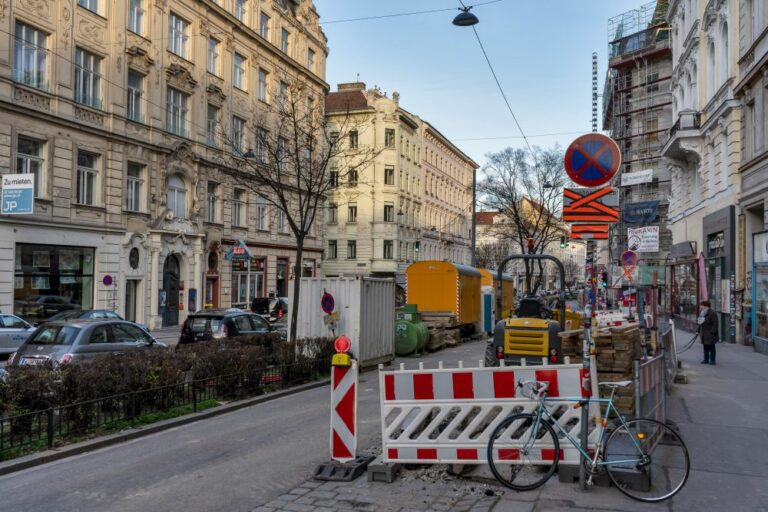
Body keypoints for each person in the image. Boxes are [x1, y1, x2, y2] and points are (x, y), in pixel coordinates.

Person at [697, 300, 718, 365]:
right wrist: (697, 331)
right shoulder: (702, 313)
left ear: (705, 306)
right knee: (705, 346)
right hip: (704, 332)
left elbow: (715, 324)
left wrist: (712, 332)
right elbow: (700, 323)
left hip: (710, 333)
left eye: (701, 305)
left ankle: (712, 360)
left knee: (711, 347)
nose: (700, 306)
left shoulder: (712, 313)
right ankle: (706, 359)